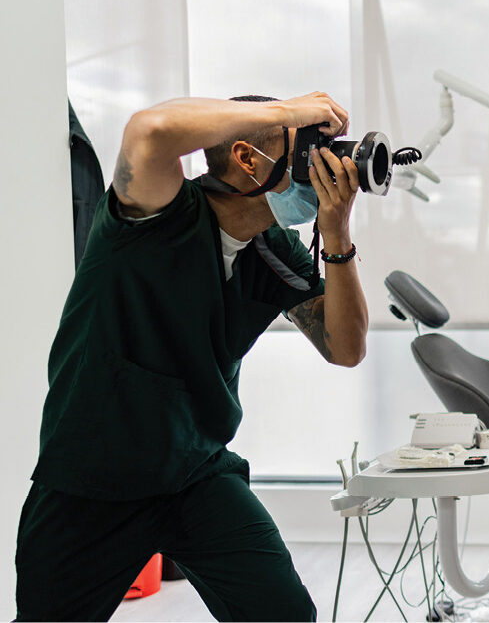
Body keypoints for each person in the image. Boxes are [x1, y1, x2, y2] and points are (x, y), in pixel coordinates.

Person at [15, 92, 371, 621]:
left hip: (194, 472)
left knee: (284, 614)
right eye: (307, 149)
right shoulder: (157, 213)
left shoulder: (273, 250)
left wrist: (337, 234)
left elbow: (346, 348)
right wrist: (289, 112)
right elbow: (150, 130)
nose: (321, 164)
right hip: (92, 477)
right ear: (249, 158)